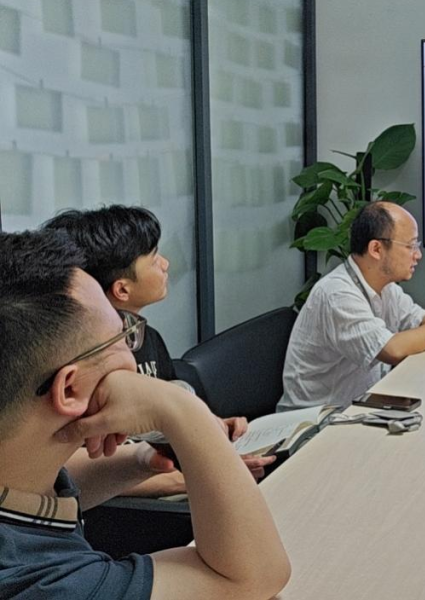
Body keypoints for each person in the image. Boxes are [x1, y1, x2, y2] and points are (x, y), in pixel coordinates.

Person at [0, 229, 290, 599]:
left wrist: (141, 459)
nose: (131, 351)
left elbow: (42, 478)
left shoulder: (16, 469)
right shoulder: (45, 584)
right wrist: (180, 409)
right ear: (70, 388)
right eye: (120, 336)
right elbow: (255, 578)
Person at [43, 206, 273, 496]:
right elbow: (64, 472)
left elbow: (160, 431)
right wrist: (192, 479)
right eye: (153, 259)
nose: (165, 264)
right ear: (122, 290)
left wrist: (207, 427)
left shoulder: (149, 338)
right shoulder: (72, 365)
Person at [279, 202, 425, 411]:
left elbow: (419, 323)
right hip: (316, 420)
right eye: (410, 246)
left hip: (360, 406)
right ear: (376, 249)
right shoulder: (337, 294)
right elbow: (392, 350)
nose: (418, 255)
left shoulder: (385, 287)